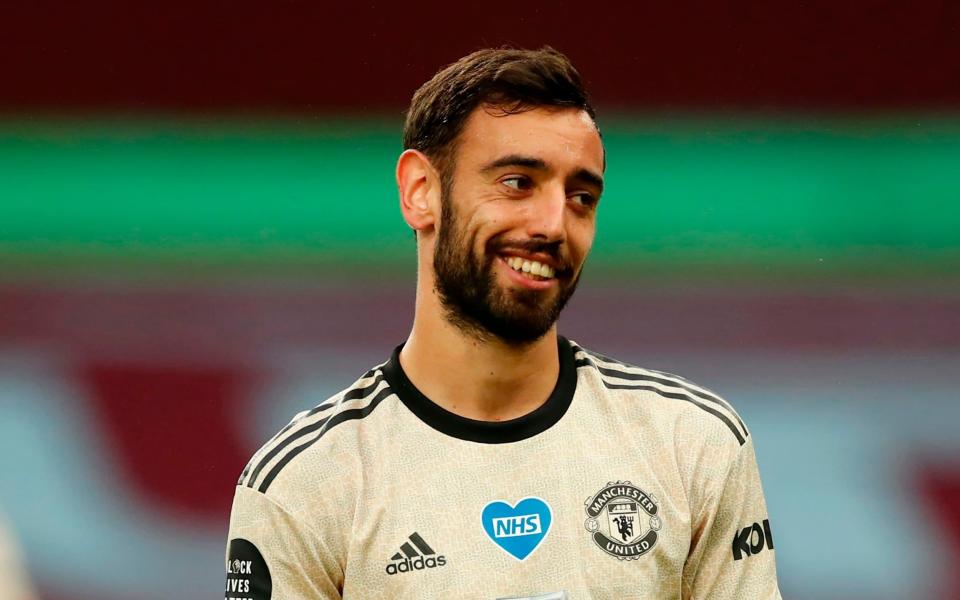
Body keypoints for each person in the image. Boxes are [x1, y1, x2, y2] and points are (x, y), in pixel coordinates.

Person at [225, 46, 781, 599]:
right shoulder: (304, 484)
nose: (553, 224)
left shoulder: (692, 444)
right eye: (518, 182)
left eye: (581, 196)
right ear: (421, 192)